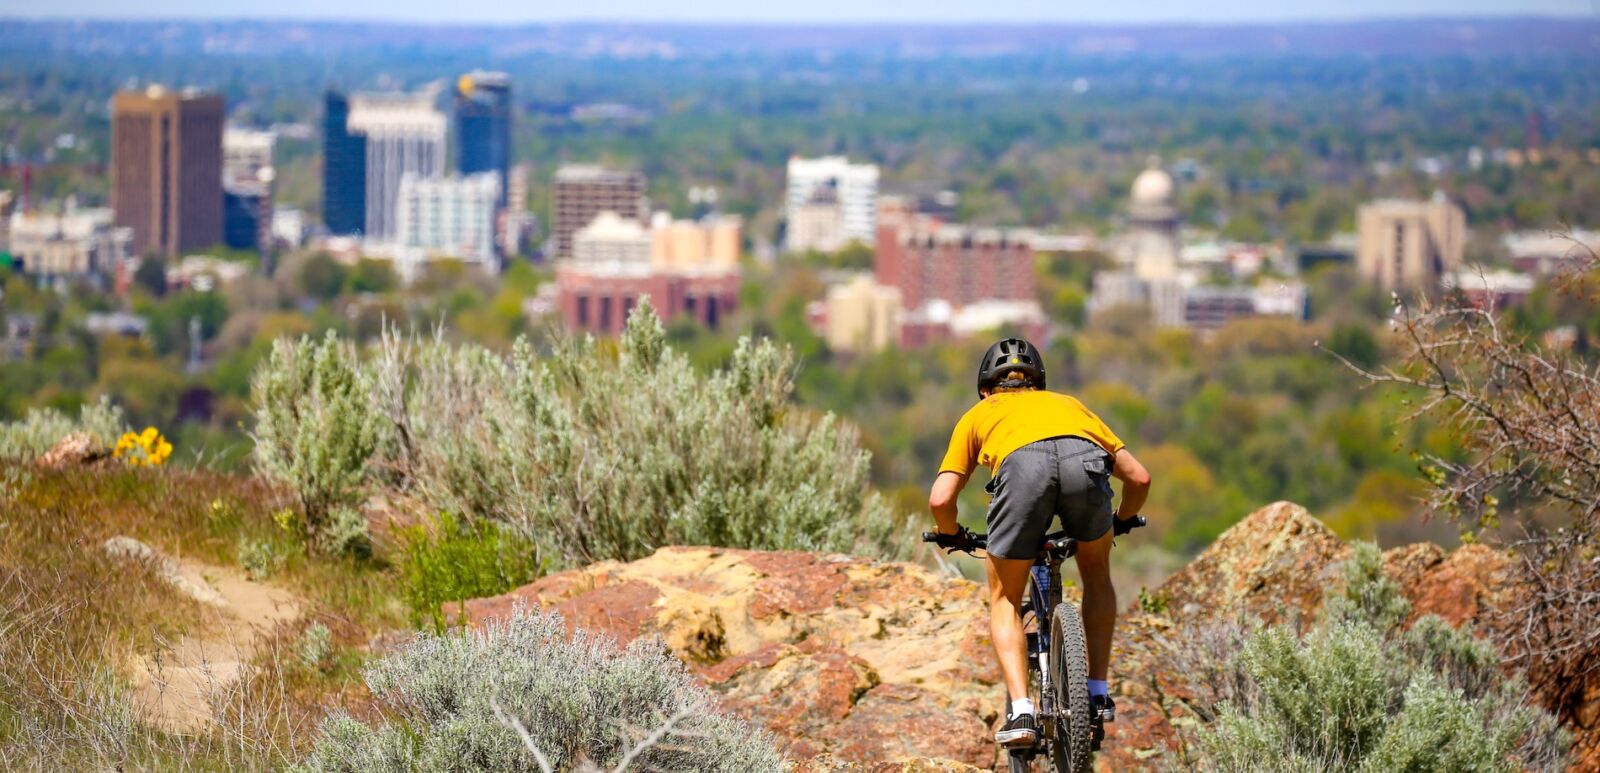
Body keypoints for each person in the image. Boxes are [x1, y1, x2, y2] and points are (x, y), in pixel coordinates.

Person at [928, 338, 1151, 749]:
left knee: (1005, 598)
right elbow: (1138, 478)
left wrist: (950, 532)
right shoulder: (1070, 406)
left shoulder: (979, 414)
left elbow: (941, 499)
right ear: (1039, 384)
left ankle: (1022, 710)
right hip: (1084, 463)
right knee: (1097, 574)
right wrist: (1116, 523)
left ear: (985, 389)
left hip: (1022, 469)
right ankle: (1098, 693)